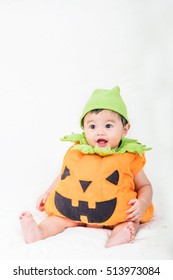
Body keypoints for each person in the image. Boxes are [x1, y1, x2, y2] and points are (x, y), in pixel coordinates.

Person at [19, 86, 154, 247]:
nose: (100, 132)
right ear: (84, 129)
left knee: (131, 220)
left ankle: (118, 236)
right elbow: (64, 175)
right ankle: (38, 232)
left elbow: (145, 185)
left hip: (114, 212)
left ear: (125, 130)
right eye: (92, 126)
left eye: (108, 126)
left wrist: (143, 203)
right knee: (59, 219)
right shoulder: (77, 152)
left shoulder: (129, 156)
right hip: (74, 209)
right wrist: (48, 192)